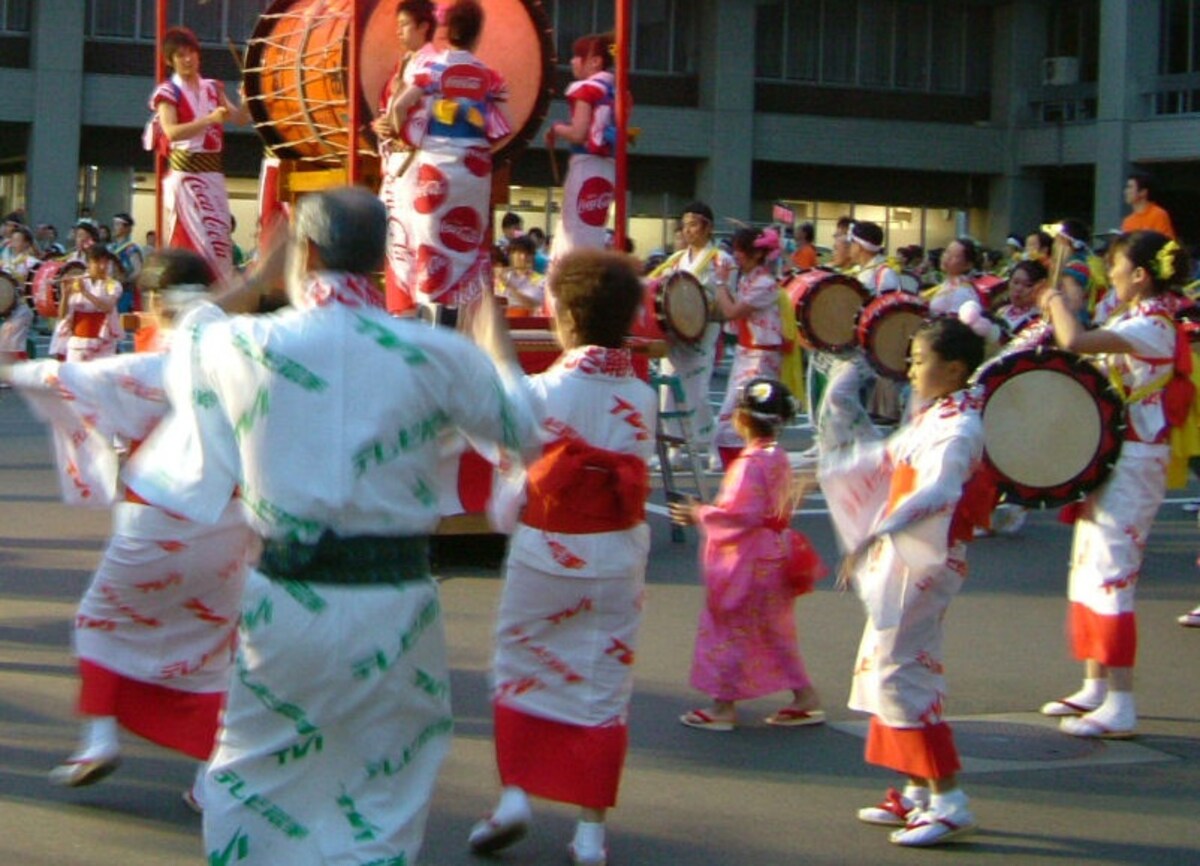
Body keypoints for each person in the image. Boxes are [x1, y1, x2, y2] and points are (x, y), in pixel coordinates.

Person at [122, 186, 537, 865]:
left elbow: (185, 329)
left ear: (306, 250)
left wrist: (258, 275)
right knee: (384, 787)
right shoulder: (435, 352)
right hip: (397, 604)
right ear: (380, 260)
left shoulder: (247, 342)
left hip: (284, 600)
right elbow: (524, 428)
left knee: (252, 774)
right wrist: (489, 332)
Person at [1, 249, 253, 806]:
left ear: (161, 301)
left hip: (160, 515)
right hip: (234, 523)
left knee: (102, 621)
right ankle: (211, 776)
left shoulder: (162, 361)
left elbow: (59, 375)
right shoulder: (247, 353)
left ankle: (98, 739)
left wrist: (11, 369)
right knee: (214, 649)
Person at [468, 248, 653, 866]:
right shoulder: (643, 396)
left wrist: (492, 340)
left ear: (564, 319)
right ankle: (591, 835)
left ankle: (515, 794)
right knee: (605, 684)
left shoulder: (548, 390)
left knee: (520, 663)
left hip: (550, 547)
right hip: (619, 550)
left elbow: (505, 417)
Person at [820, 316, 991, 848]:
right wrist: (815, 469)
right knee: (883, 667)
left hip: (923, 554)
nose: (911, 369)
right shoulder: (936, 415)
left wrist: (878, 531)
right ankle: (917, 791)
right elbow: (884, 457)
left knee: (903, 672)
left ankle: (949, 798)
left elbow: (939, 490)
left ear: (956, 369)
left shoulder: (960, 427)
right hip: (907, 550)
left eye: (920, 360)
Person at [1035, 231, 1191, 739]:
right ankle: (1095, 684)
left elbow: (1075, 342)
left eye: (1117, 266)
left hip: (1135, 459)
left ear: (1141, 275)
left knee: (1112, 575)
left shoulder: (1154, 325)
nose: (1112, 274)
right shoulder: (1132, 319)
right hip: (1113, 455)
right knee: (1086, 567)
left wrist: (1059, 304)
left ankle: (1121, 701)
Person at [673, 378, 824, 731]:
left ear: (741, 419)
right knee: (775, 630)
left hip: (749, 558)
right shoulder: (778, 456)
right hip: (777, 552)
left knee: (729, 627)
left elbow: (740, 515)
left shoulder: (749, 464)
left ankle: (722, 706)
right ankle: (805, 697)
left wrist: (699, 512)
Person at [376, 0, 511, 314]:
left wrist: (402, 135)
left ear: (446, 31)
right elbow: (507, 126)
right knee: (467, 240)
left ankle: (427, 315)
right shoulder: (490, 77)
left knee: (429, 242)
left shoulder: (431, 69)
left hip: (435, 164)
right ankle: (465, 315)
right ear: (478, 34)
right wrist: (479, 150)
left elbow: (398, 108)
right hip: (474, 168)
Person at [149, 26, 249, 281]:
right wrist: (209, 120)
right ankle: (185, 287)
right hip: (187, 178)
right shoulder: (168, 93)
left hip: (213, 175)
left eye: (191, 52)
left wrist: (248, 98)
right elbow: (171, 132)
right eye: (180, 55)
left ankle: (218, 293)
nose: (187, 59)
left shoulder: (213, 88)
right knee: (190, 240)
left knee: (218, 242)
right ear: (170, 61)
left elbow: (238, 119)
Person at [646, 201, 734, 468]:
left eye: (693, 225)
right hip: (675, 333)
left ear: (708, 227)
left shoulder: (721, 260)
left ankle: (709, 446)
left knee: (697, 392)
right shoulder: (676, 259)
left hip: (702, 332)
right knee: (668, 391)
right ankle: (674, 449)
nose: (687, 231)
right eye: (684, 226)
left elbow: (725, 299)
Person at [710, 227, 786, 468]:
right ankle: (746, 473)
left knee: (741, 421)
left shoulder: (765, 283)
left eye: (740, 252)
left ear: (755, 255)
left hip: (761, 357)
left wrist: (721, 283)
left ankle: (745, 473)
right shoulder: (748, 279)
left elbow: (732, 311)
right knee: (741, 421)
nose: (737, 257)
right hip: (747, 353)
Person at [547, 32, 620, 263]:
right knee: (593, 231)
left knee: (572, 236)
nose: (572, 61)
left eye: (577, 56)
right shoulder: (616, 92)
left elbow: (578, 133)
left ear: (595, 61)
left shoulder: (587, 89)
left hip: (585, 162)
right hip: (607, 167)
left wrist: (557, 128)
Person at [50, 245, 123, 362]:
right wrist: (65, 295)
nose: (102, 267)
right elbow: (62, 315)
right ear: (89, 263)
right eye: (98, 263)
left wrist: (85, 292)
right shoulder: (77, 282)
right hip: (78, 341)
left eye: (106, 263)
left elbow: (108, 307)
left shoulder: (112, 284)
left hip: (103, 341)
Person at [923, 238, 981, 316]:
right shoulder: (948, 283)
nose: (947, 258)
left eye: (955, 256)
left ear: (968, 265)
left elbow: (956, 324)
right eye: (947, 252)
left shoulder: (962, 292)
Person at [494, 234, 544, 312]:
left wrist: (509, 285)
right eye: (519, 253)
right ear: (510, 255)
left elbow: (534, 305)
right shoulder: (501, 278)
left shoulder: (541, 280)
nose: (523, 257)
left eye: (528, 253)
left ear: (533, 256)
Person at [1121, 171, 1176, 239]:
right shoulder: (1127, 222)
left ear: (1143, 192)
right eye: (1126, 187)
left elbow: (1167, 244)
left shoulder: (1159, 215)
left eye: (1130, 187)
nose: (1126, 191)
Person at [110, 212, 143, 314]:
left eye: (118, 224)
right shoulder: (111, 247)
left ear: (127, 228)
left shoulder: (131, 248)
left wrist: (126, 280)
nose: (114, 227)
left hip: (125, 292)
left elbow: (138, 270)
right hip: (111, 290)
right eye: (114, 224)